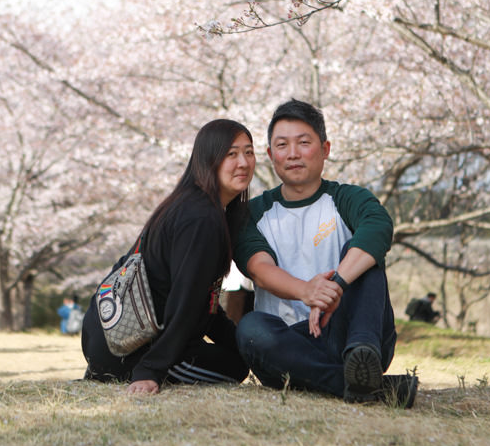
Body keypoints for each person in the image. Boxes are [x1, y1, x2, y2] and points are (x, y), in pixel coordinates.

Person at [234, 99, 418, 408]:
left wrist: (336, 288)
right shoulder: (253, 213)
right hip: (288, 347)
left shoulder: (347, 198)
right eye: (282, 145)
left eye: (304, 143)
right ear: (270, 155)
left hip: (350, 335)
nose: (292, 154)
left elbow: (379, 227)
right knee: (251, 327)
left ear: (325, 149)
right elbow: (259, 268)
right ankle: (371, 388)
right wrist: (307, 292)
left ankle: (363, 357)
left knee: (362, 252)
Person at [81, 119, 255, 395]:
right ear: (208, 159)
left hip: (110, 336)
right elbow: (186, 302)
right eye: (231, 154)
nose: (243, 162)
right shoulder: (201, 218)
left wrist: (242, 341)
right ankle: (133, 368)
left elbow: (203, 303)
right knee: (234, 367)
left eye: (248, 152)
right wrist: (151, 371)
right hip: (133, 348)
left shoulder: (191, 204)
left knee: (236, 355)